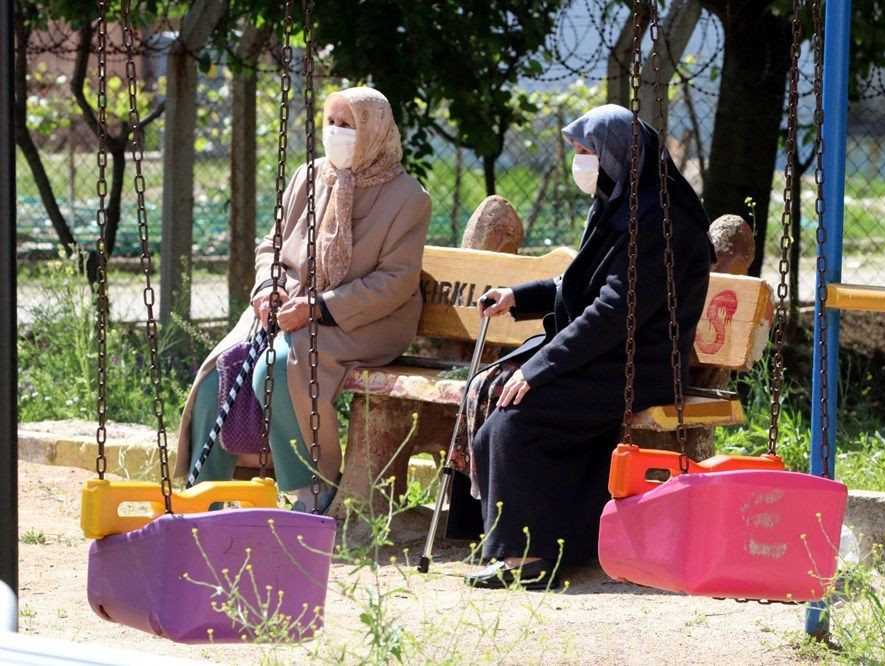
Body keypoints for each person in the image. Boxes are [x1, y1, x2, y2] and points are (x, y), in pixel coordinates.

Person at [449, 104, 714, 588]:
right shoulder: (620, 201)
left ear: (615, 156)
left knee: (515, 422)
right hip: (607, 354)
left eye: (587, 152)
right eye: (577, 153)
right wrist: (520, 296)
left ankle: (528, 560)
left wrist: (540, 368)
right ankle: (533, 542)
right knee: (493, 401)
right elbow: (583, 283)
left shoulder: (662, 221)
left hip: (640, 364)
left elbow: (615, 311)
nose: (581, 163)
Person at [174, 87, 431, 513]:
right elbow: (271, 247)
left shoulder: (409, 198)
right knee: (221, 369)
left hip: (366, 321)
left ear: (374, 131)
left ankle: (312, 485)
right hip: (287, 308)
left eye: (346, 125)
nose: (334, 132)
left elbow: (396, 283)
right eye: (330, 122)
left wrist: (318, 308)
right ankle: (205, 496)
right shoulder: (308, 177)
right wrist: (266, 288)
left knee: (278, 365)